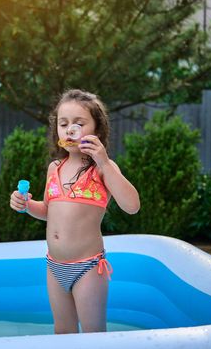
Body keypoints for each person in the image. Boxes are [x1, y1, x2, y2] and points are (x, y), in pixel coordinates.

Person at [9, 89, 140, 334]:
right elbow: (48, 211)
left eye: (79, 123)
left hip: (88, 267)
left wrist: (103, 161)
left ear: (97, 131)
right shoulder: (54, 168)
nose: (70, 129)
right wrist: (27, 205)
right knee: (63, 331)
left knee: (92, 334)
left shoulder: (103, 169)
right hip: (54, 264)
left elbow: (132, 206)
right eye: (63, 123)